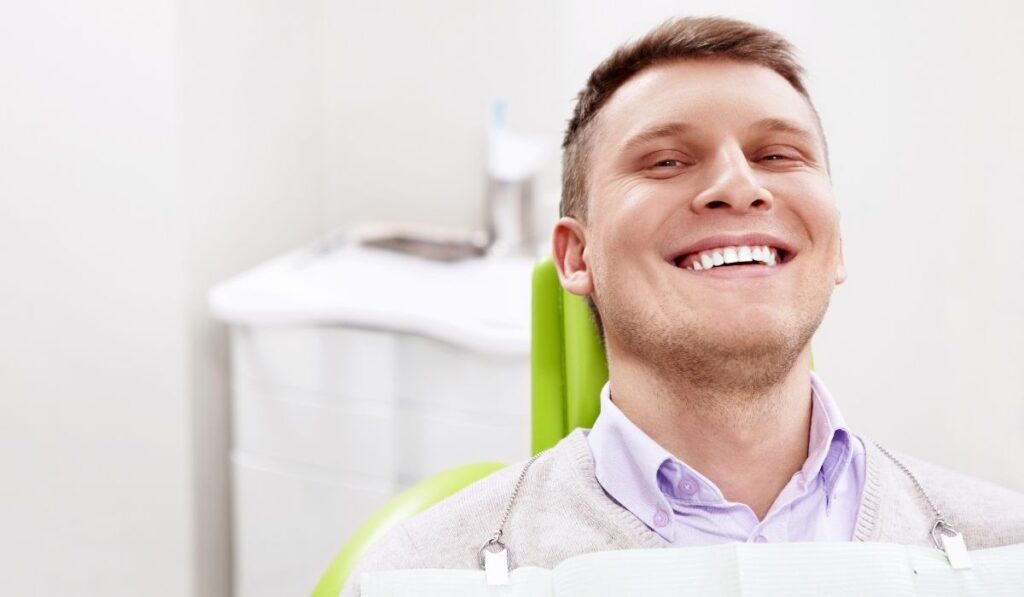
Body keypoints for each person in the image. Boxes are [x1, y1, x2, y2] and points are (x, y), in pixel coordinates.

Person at [341, 15, 1024, 596]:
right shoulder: (425, 572)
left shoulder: (1006, 549)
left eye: (778, 154)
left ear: (835, 244)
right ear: (576, 257)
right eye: (667, 161)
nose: (738, 185)